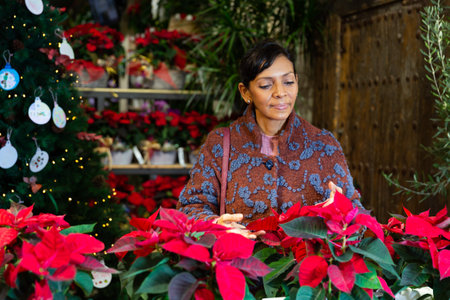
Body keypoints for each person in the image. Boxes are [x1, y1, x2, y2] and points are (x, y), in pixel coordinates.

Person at [177, 40, 362, 238]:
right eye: (266, 85)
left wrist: (340, 212)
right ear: (245, 92)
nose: (280, 93)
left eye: (289, 82)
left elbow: (358, 217)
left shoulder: (324, 145)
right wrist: (216, 225)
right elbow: (190, 207)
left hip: (307, 267)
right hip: (239, 265)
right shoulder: (220, 144)